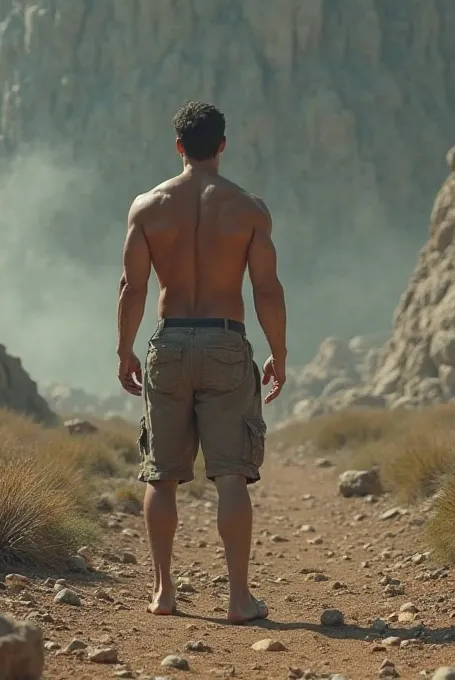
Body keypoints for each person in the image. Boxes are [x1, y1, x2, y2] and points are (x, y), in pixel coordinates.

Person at [117, 101, 287, 623]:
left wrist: (124, 350)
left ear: (178, 146)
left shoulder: (148, 207)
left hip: (167, 345)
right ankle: (239, 599)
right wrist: (279, 354)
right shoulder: (248, 209)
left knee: (161, 477)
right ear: (221, 146)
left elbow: (134, 286)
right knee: (231, 476)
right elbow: (266, 288)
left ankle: (164, 592)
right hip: (224, 341)